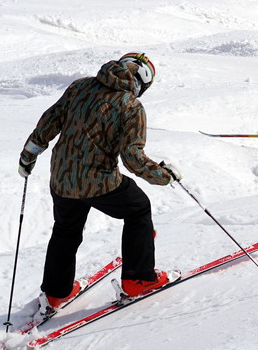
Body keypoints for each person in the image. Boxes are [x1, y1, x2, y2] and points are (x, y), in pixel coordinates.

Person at [18, 52, 181, 308]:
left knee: (65, 231)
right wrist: (164, 176)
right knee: (138, 209)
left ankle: (55, 293)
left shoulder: (80, 86)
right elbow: (132, 157)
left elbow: (50, 120)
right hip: (99, 181)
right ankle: (138, 280)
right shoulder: (131, 106)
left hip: (62, 177)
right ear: (142, 83)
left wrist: (29, 155)